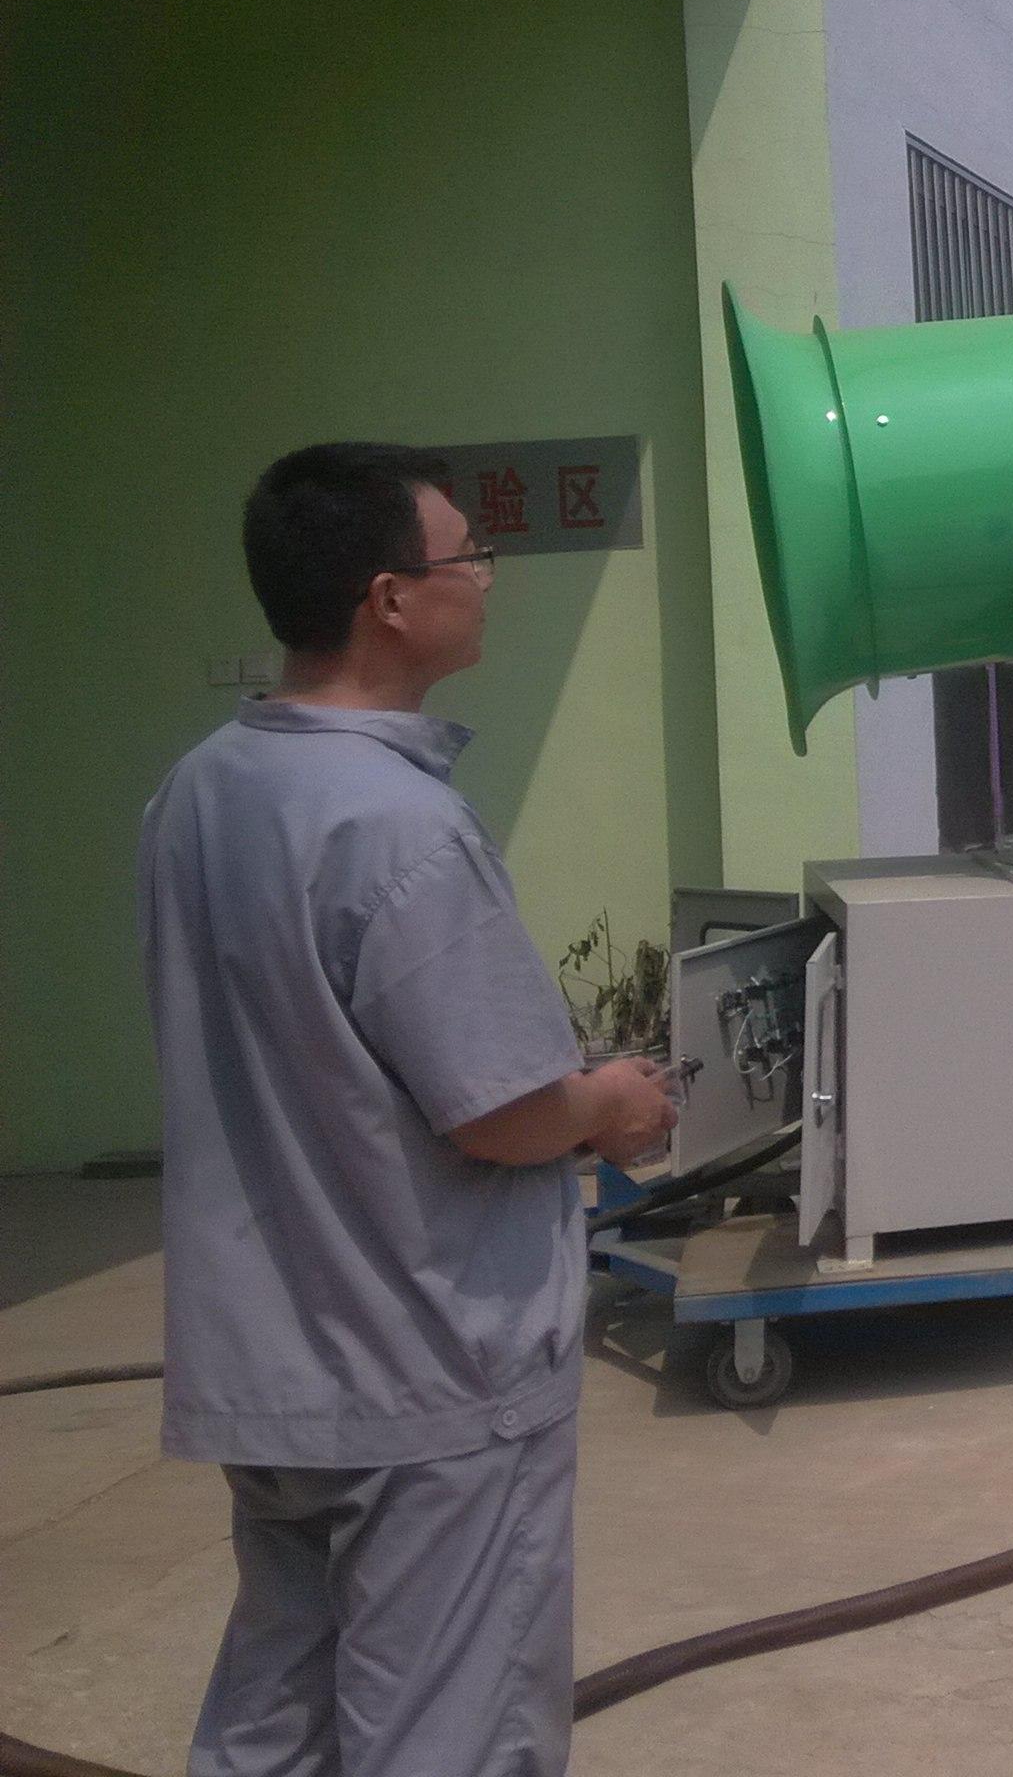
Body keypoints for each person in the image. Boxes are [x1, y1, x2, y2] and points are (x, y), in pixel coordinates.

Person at [141, 443, 676, 1776]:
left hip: (277, 1369)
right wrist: (609, 1103)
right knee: (449, 1735)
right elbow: (501, 1112)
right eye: (468, 559)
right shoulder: (400, 828)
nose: (488, 581)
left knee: (281, 1720)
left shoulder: (202, 788)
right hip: (426, 1375)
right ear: (389, 598)